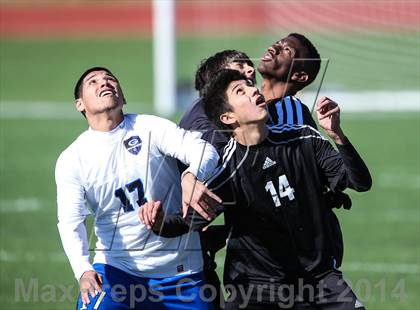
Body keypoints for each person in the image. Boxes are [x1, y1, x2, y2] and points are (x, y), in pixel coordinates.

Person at [141, 69, 371, 309]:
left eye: (251, 85)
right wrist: (159, 224)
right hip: (256, 290)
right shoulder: (228, 168)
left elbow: (359, 183)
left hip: (320, 280)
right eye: (240, 91)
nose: (253, 90)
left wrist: (337, 135)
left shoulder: (303, 138)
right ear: (228, 117)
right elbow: (189, 222)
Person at [55, 67, 221, 309]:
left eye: (110, 79)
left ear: (123, 98)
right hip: (117, 271)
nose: (104, 83)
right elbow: (70, 221)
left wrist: (191, 175)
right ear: (79, 104)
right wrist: (83, 270)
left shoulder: (149, 127)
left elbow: (204, 150)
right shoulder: (72, 159)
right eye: (93, 82)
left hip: (181, 273)